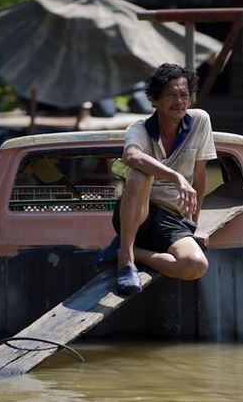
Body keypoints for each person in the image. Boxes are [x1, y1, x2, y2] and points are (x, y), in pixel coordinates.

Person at [93, 63, 217, 295]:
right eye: (171, 95)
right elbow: (131, 156)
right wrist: (175, 176)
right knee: (141, 174)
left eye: (184, 95)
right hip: (139, 216)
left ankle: (124, 250)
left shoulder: (200, 121)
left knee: (195, 265)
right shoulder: (138, 129)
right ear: (154, 99)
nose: (179, 101)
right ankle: (126, 261)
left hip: (173, 220)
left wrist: (194, 225)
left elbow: (200, 178)